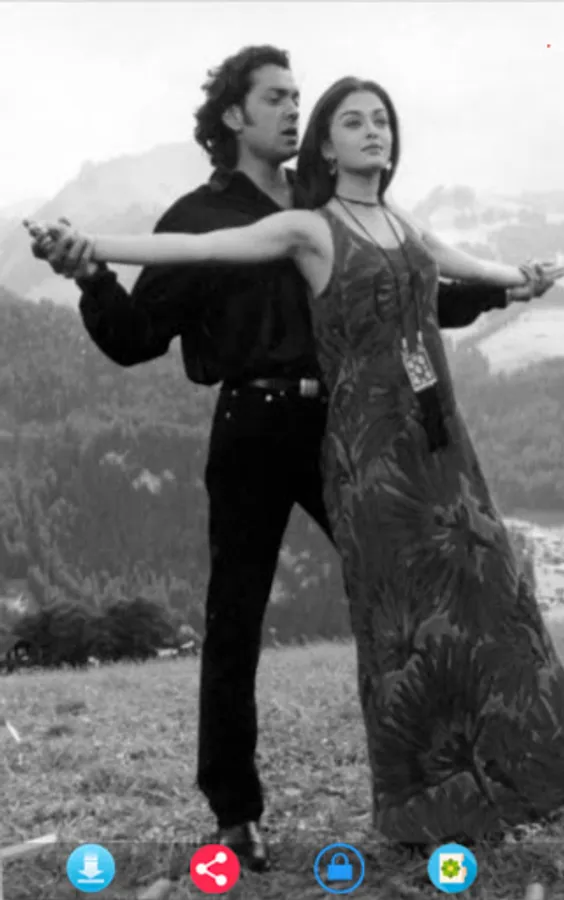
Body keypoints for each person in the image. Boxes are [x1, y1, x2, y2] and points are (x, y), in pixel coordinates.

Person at [25, 52, 560, 857]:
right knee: (235, 616)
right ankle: (234, 812)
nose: (291, 110)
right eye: (275, 98)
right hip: (253, 424)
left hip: (351, 429)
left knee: (421, 589)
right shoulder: (198, 216)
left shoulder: (321, 202)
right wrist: (93, 275)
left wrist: (502, 287)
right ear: (233, 116)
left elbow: (402, 298)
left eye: (297, 98)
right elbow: (135, 339)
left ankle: (467, 776)